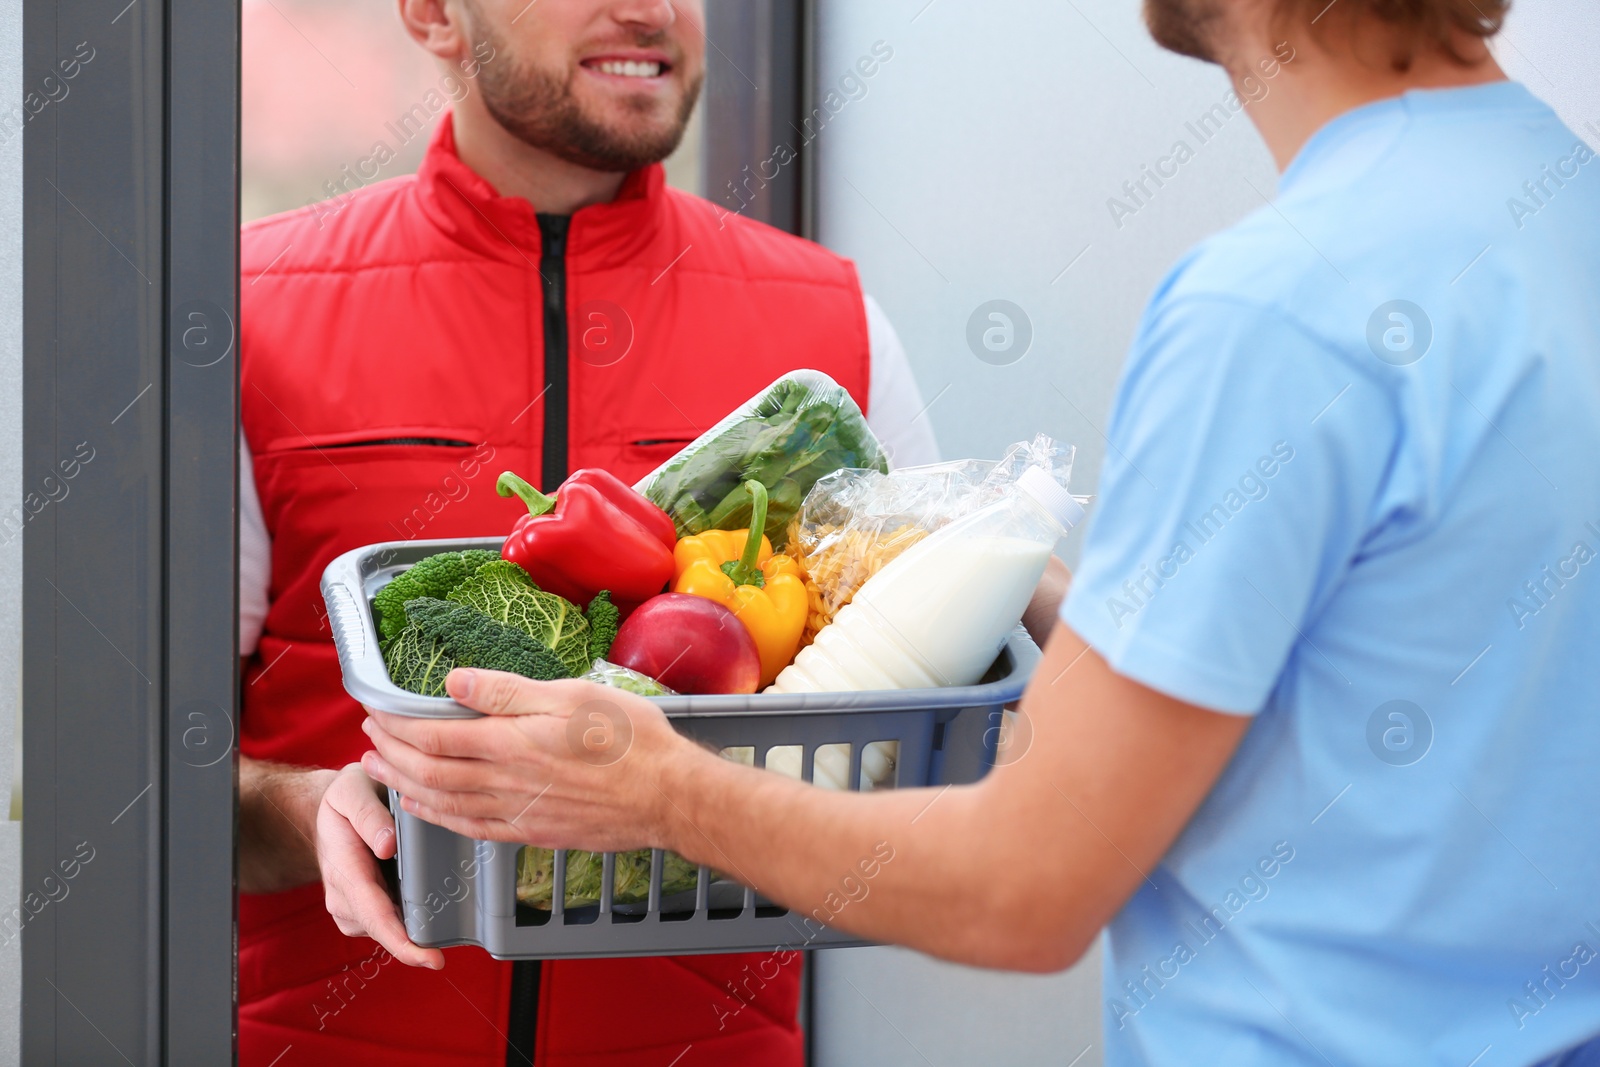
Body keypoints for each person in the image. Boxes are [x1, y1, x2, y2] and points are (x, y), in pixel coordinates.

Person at [353, 0, 1600, 1063]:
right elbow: (1399, 668)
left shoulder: (1276, 306)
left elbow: (1030, 888)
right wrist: (1036, 586)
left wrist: (659, 785)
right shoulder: (1559, 209)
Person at [235, 0, 939, 1063]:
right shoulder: (249, 317)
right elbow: (130, 778)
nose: (652, 11)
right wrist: (306, 808)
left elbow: (943, 750)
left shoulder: (833, 336)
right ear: (431, 15)